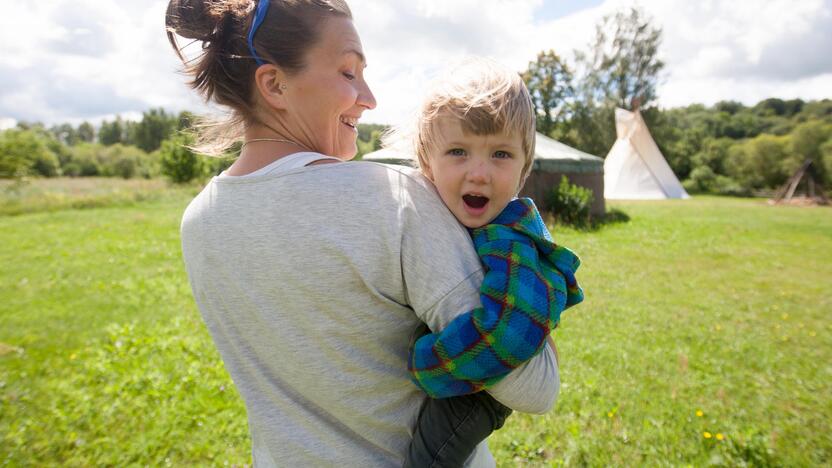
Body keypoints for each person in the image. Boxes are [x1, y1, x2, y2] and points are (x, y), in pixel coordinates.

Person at [167, 0, 559, 466]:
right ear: (274, 84)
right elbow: (535, 387)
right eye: (349, 73)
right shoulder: (395, 199)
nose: (369, 98)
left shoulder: (199, 222)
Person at [392, 59, 583, 467]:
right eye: (458, 151)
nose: (479, 174)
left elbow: (508, 334)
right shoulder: (446, 216)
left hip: (479, 393)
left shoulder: (508, 237)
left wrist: (423, 362)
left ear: (524, 166)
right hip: (477, 368)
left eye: (500, 154)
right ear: (427, 161)